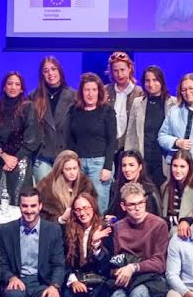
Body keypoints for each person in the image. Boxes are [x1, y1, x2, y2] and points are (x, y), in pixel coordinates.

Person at [105, 182, 171, 297]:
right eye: (132, 205)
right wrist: (118, 272)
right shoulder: (118, 227)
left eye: (141, 203)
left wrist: (133, 267)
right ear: (123, 206)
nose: (137, 208)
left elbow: (160, 263)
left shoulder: (158, 225)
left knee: (138, 295)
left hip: (151, 280)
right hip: (127, 280)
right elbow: (115, 261)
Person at [63, 191, 115, 297]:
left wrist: (96, 245)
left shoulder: (105, 230)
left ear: (93, 208)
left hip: (99, 279)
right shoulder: (68, 230)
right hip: (76, 278)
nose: (82, 213)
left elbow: (107, 266)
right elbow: (62, 262)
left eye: (86, 208)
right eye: (78, 209)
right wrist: (73, 281)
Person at [67, 73, 117, 213]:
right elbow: (71, 139)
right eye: (87, 90)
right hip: (79, 164)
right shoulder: (74, 110)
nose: (90, 94)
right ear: (81, 92)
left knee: (98, 205)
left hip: (99, 163)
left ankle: (99, 227)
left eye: (94, 90)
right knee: (79, 204)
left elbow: (112, 141)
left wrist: (107, 167)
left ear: (99, 91)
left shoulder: (107, 111)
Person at [24, 56, 76, 184]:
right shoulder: (34, 97)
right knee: (45, 193)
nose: (50, 73)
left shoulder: (74, 96)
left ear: (60, 71)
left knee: (64, 194)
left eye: (53, 69)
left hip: (65, 156)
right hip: (42, 155)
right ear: (42, 75)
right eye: (46, 71)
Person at [0, 71, 31, 206]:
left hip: (21, 161)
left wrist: (15, 159)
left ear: (22, 89)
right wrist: (4, 156)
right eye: (10, 84)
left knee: (19, 200)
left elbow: (33, 137)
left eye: (17, 84)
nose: (13, 87)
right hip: (0, 161)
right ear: (4, 87)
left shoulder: (28, 107)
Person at [36, 149, 97, 225]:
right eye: (68, 169)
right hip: (58, 228)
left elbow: (94, 210)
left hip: (81, 226)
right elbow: (42, 216)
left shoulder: (85, 185)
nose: (72, 173)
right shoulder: (46, 187)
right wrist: (61, 219)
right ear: (61, 169)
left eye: (75, 168)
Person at [138, 66, 174, 188]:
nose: (151, 84)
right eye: (147, 80)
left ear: (161, 81)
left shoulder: (173, 103)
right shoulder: (138, 103)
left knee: (165, 193)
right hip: (144, 158)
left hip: (164, 159)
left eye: (155, 80)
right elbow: (131, 134)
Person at [108, 52, 146, 162]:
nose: (119, 74)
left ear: (130, 69)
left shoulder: (140, 93)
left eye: (122, 70)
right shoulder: (105, 92)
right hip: (109, 149)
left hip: (131, 150)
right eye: (115, 70)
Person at [108, 151, 162, 219]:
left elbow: (156, 218)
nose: (127, 169)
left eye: (131, 165)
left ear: (140, 167)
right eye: (124, 165)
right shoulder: (116, 187)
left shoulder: (149, 190)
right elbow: (110, 212)